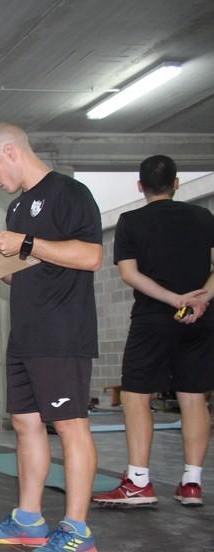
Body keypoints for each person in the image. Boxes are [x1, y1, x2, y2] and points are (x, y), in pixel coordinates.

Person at [0, 123, 103, 552]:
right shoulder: (16, 209)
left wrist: (27, 242)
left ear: (10, 151)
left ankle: (76, 530)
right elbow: (32, 270)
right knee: (26, 423)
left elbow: (91, 256)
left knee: (70, 425)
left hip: (63, 332)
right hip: (26, 333)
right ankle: (28, 520)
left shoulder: (70, 193)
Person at [91, 155, 214, 508]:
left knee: (135, 396)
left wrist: (176, 300)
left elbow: (130, 274)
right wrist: (199, 301)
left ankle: (139, 483)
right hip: (200, 319)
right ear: (176, 184)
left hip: (153, 319)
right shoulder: (203, 216)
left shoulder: (130, 221)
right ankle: (192, 483)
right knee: (193, 397)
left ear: (140, 187)